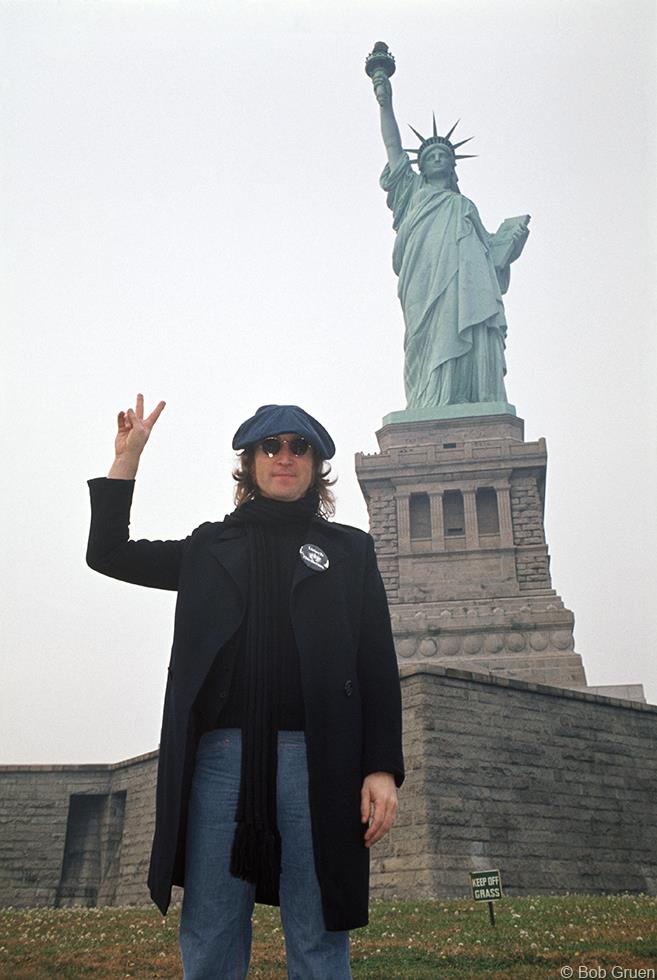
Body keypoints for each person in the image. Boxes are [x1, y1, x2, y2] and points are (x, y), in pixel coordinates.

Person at [86, 394, 404, 979]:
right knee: (210, 933)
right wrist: (126, 460)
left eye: (298, 447)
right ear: (251, 463)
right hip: (220, 762)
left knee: (318, 934)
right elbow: (107, 553)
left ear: (315, 465)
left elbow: (377, 665)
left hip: (320, 762)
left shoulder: (349, 551)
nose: (285, 456)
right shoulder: (211, 547)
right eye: (271, 446)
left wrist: (381, 767)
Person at [371, 67, 530, 409]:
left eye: (443, 155)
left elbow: (489, 255)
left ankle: (466, 393)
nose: (437, 159)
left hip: (466, 285)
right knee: (426, 339)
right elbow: (393, 145)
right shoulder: (410, 193)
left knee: (466, 326)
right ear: (422, 167)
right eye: (430, 157)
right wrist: (385, 100)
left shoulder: (464, 205)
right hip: (424, 281)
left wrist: (509, 246)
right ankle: (430, 400)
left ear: (452, 166)